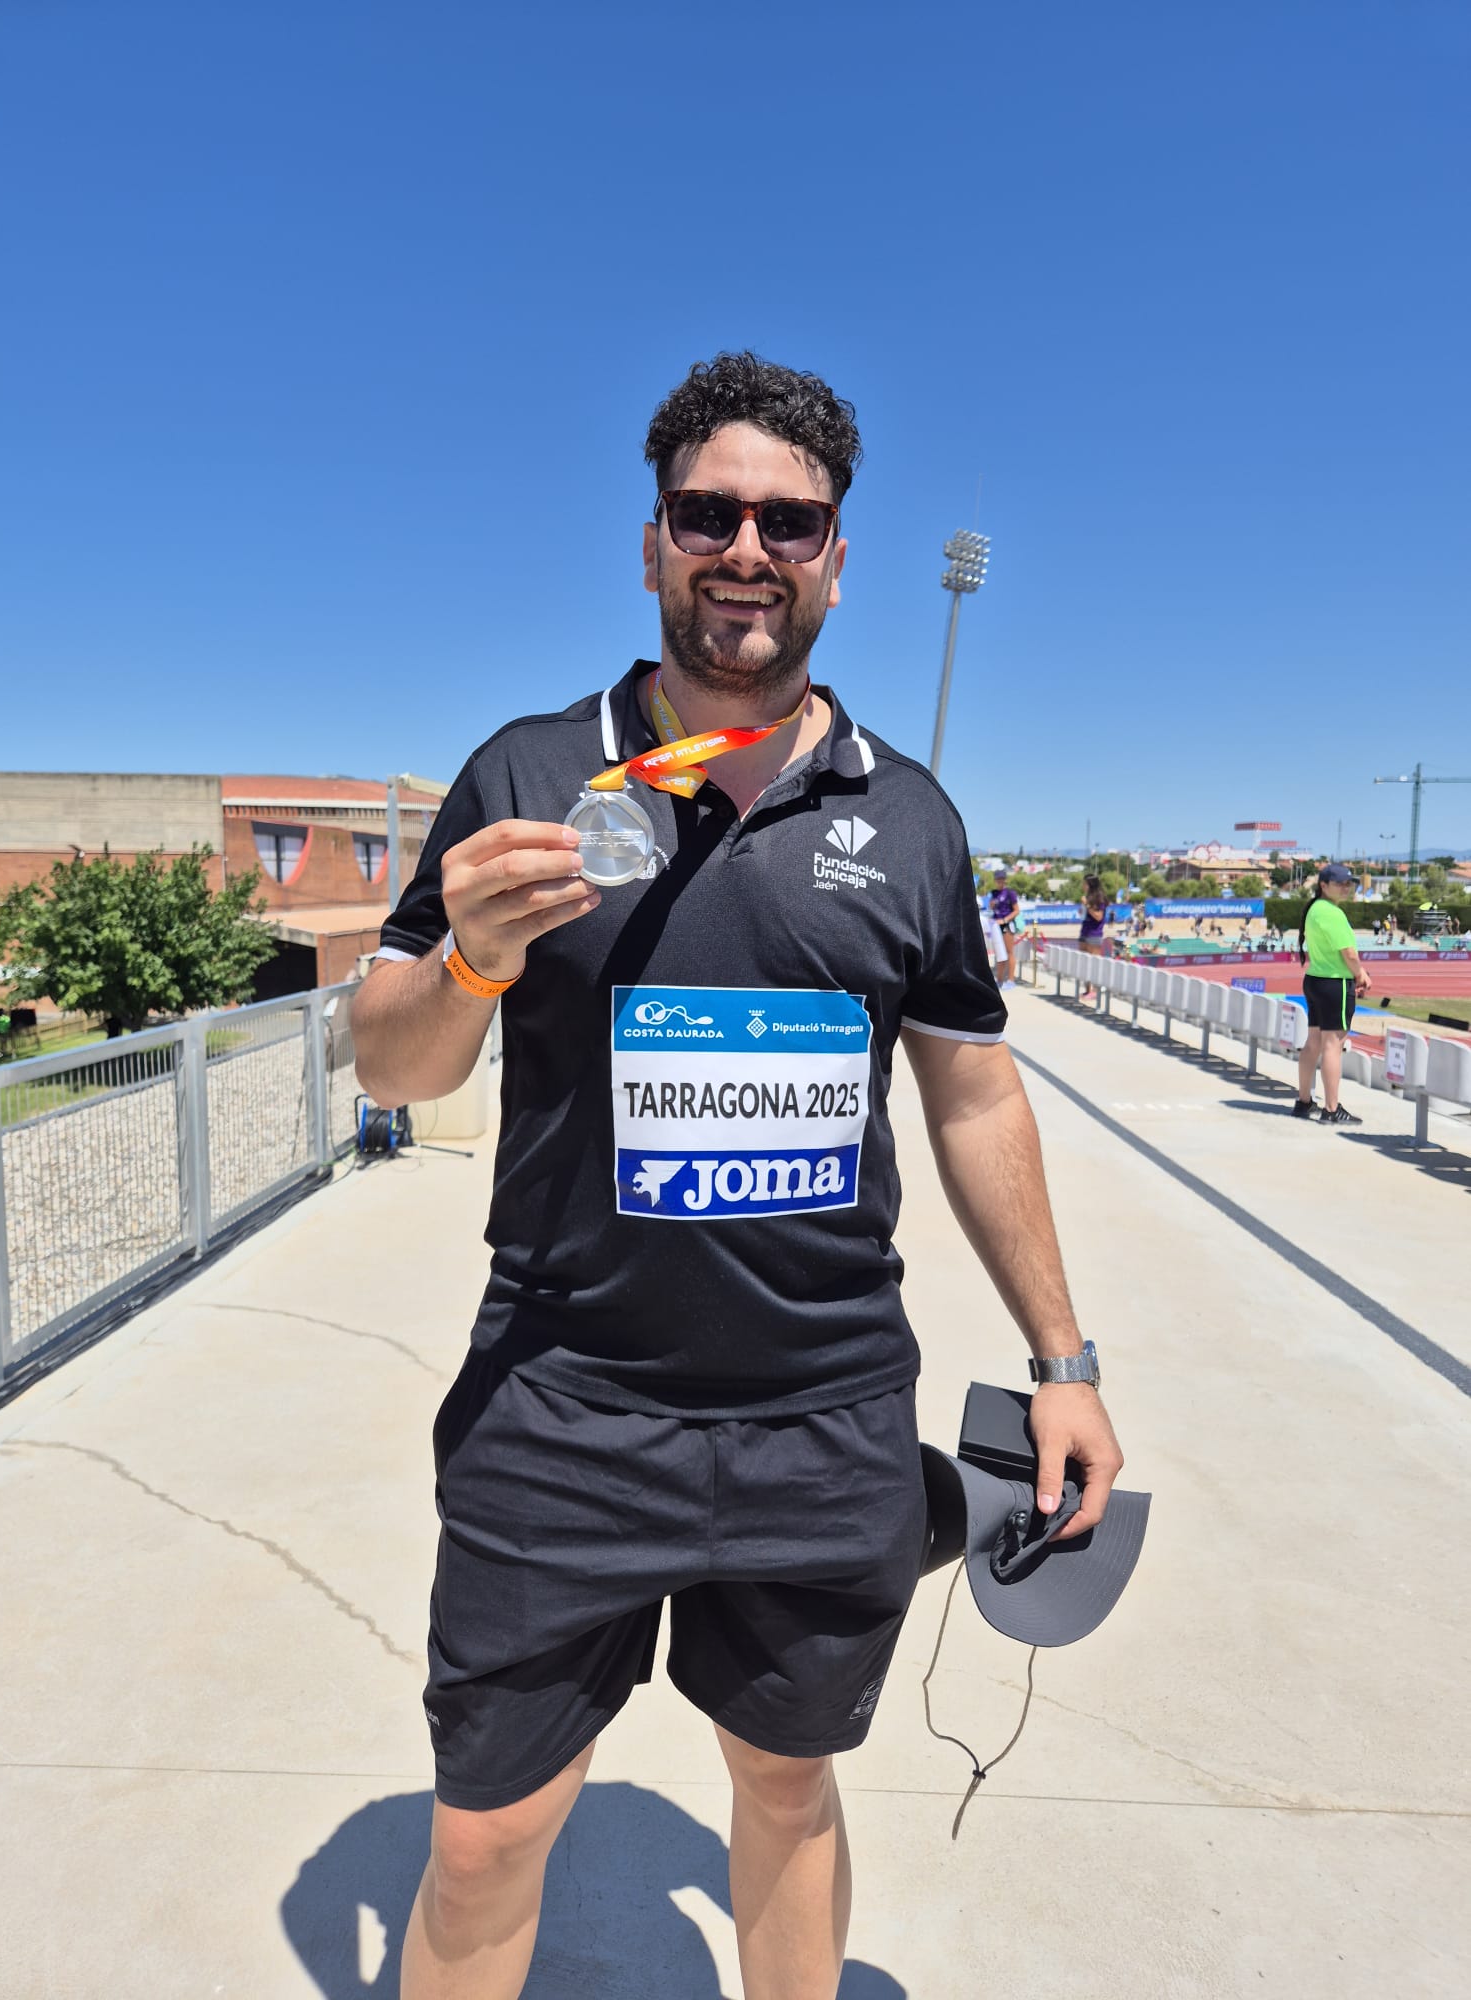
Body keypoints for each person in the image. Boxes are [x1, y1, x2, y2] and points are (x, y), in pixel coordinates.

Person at [350, 353, 1124, 2000]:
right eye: (710, 513)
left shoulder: (908, 819)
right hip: (562, 1404)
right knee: (485, 1834)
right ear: (652, 545)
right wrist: (469, 962)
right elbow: (391, 1065)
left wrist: (1066, 1362)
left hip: (823, 1409)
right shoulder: (527, 778)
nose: (748, 547)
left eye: (792, 519)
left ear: (838, 555)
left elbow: (973, 1094)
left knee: (784, 1787)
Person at [1294, 863, 1370, 1124]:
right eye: (1340, 883)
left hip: (1315, 979)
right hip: (1334, 982)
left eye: (1349, 883)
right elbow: (1348, 953)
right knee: (1332, 1045)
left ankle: (1304, 1101)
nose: (1346, 887)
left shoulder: (1314, 909)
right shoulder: (1332, 913)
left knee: (1313, 1042)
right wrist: (1361, 974)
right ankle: (1331, 1108)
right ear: (1324, 886)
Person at [1077, 873, 1109, 998]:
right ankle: (1087, 989)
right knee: (1084, 963)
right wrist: (1082, 909)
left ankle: (1094, 991)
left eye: (1084, 883)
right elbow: (1085, 914)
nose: (1083, 886)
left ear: (1090, 884)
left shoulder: (1099, 898)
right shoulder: (1087, 897)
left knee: (1093, 964)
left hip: (1094, 934)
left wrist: (1087, 905)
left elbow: (1098, 916)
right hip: (1084, 932)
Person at [988, 866, 1020, 986]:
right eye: (998, 879)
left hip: (1006, 925)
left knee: (1009, 952)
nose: (1000, 881)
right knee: (999, 953)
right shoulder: (994, 893)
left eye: (1002, 879)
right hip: (996, 925)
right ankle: (999, 979)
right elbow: (993, 908)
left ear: (1005, 880)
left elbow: (1017, 910)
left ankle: (1011, 980)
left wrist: (1005, 920)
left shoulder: (1010, 893)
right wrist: (992, 906)